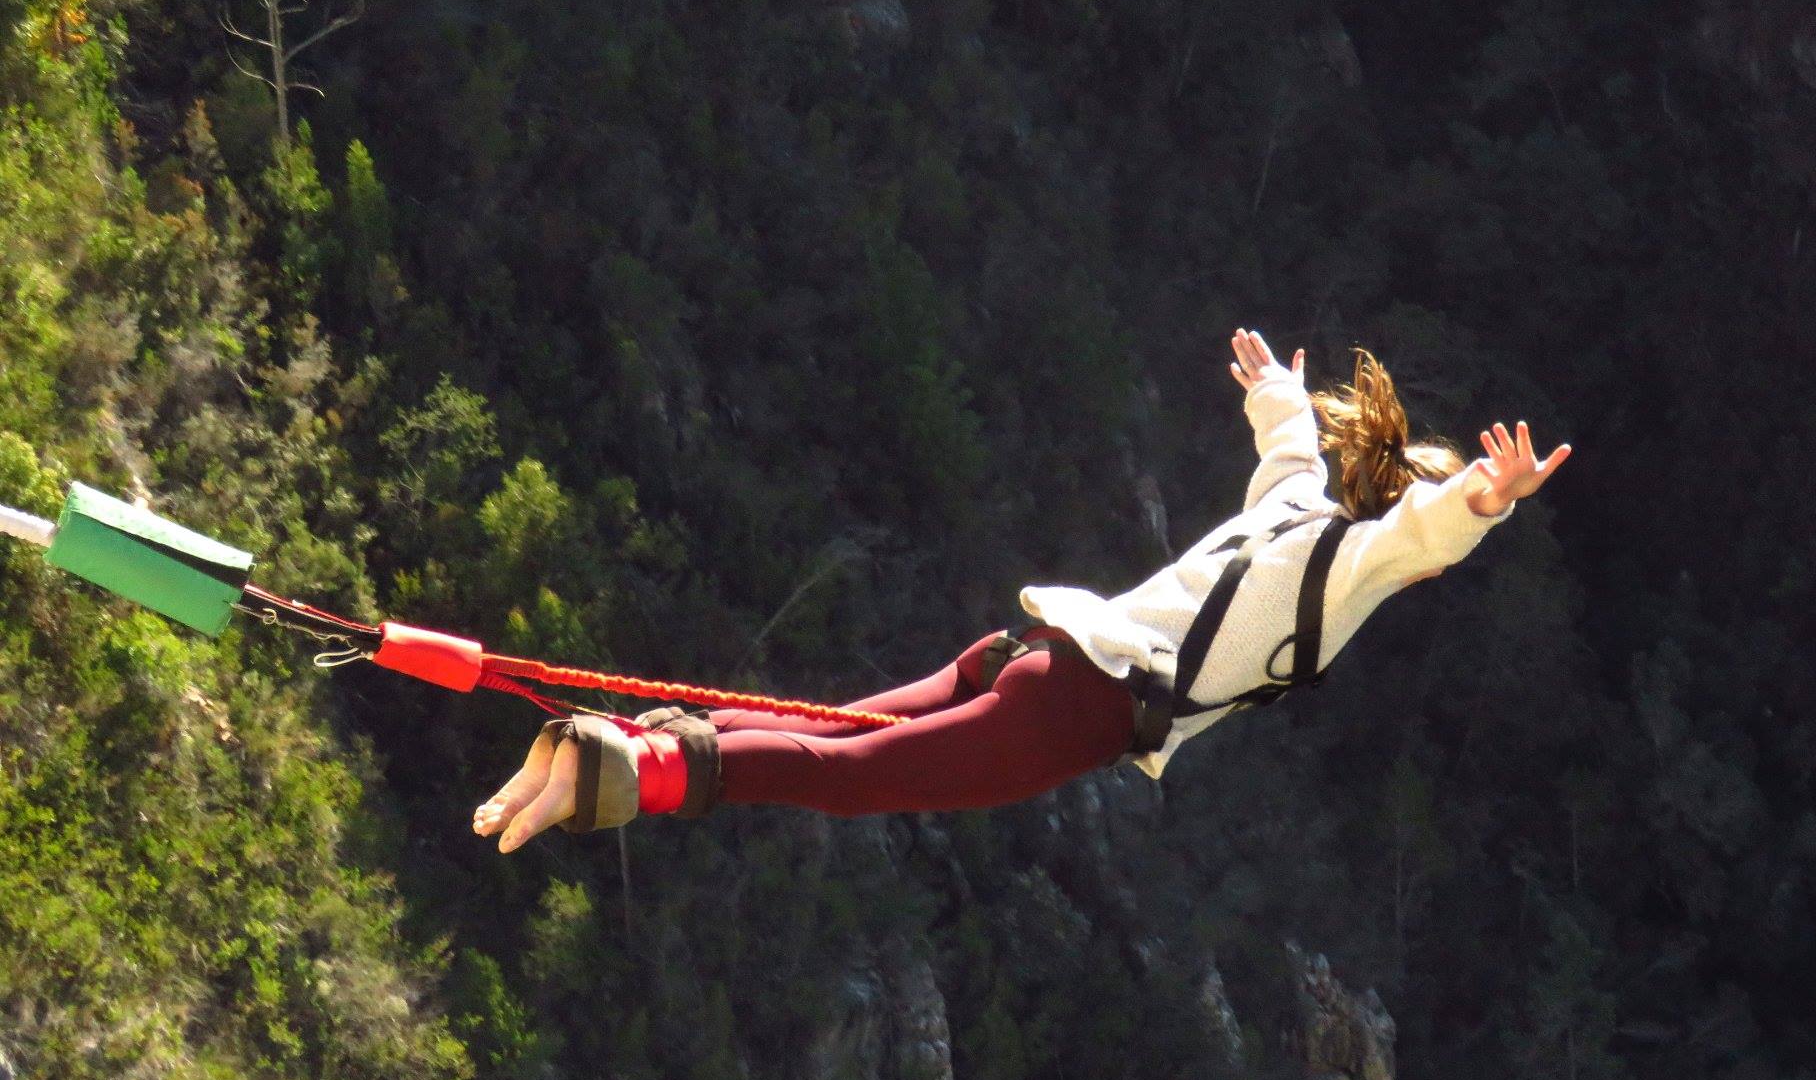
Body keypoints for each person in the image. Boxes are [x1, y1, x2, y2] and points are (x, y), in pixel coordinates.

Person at [472, 329, 1570, 851]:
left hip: (1029, 654)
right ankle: (626, 770)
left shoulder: (1295, 509)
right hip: (1076, 708)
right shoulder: (1356, 568)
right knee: (844, 777)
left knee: (828, 733)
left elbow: (1289, 448)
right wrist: (1485, 501)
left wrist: (1279, 392)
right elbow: (1418, 535)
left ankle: (601, 746)